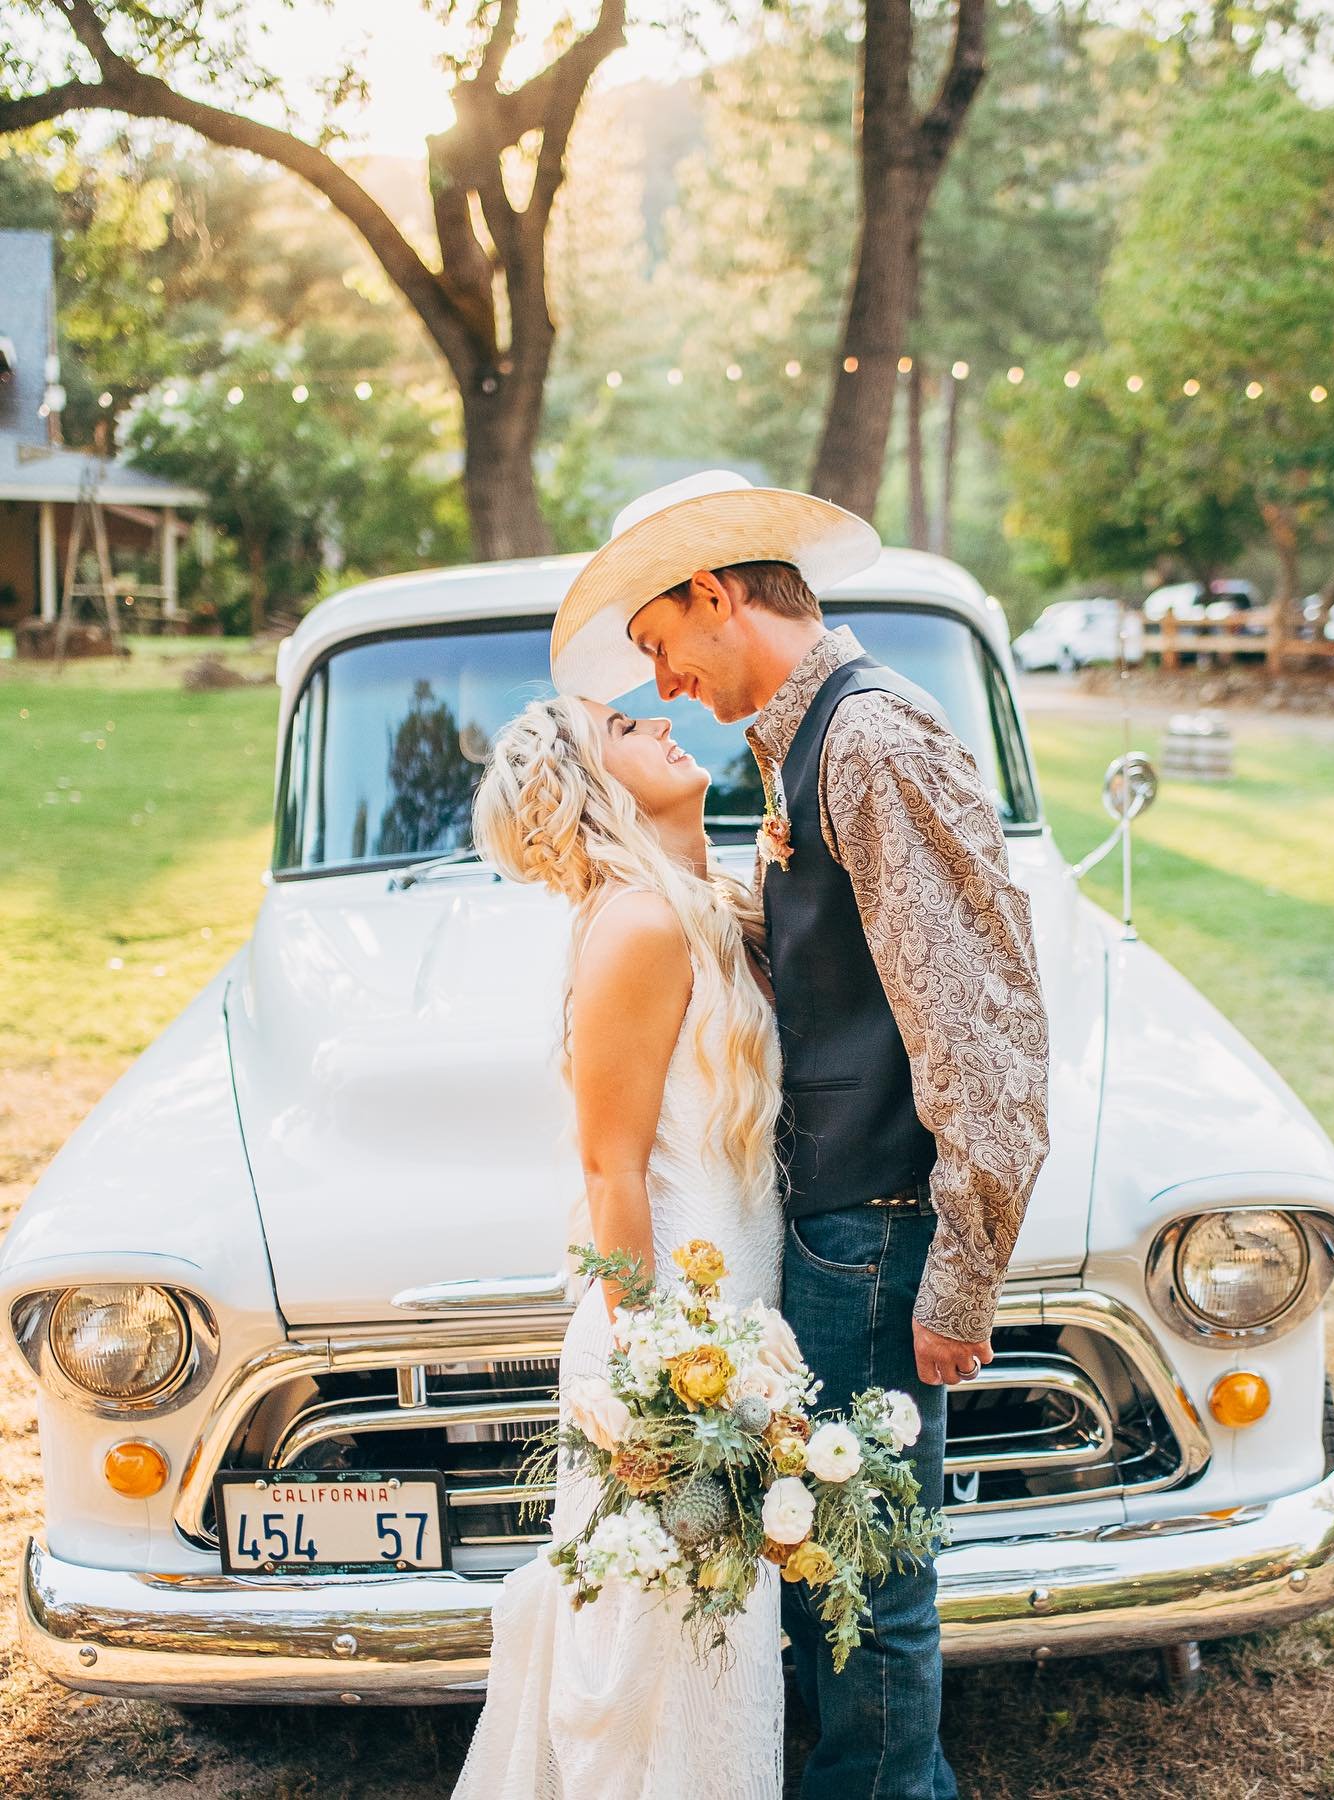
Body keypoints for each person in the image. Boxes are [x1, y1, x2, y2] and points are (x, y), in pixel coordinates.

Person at [548, 469, 1052, 1800]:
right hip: (834, 1238)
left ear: (717, 594)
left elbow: (979, 1025)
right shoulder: (798, 745)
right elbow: (849, 964)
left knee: (872, 1593)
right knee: (834, 1572)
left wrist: (962, 1271)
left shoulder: (871, 737)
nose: (662, 681)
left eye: (660, 644)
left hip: (885, 1239)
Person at [450, 678, 803, 1798]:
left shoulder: (702, 900)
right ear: (596, 785)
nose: (659, 721)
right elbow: (611, 1168)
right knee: (666, 1640)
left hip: (733, 1300)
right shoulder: (639, 925)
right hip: (673, 1336)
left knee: (716, 1633)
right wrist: (665, 1378)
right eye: (624, 727)